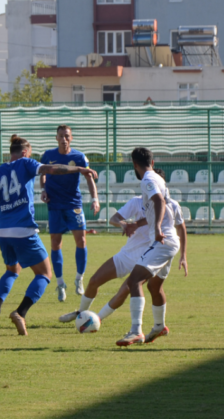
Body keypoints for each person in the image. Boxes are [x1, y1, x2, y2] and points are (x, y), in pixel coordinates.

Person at [0, 135, 98, 336]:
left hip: (2, 231)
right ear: (25, 153)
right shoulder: (26, 163)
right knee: (44, 274)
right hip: (23, 229)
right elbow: (51, 169)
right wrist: (79, 169)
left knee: (12, 271)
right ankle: (20, 312)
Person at [58, 169, 188, 345]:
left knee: (129, 288)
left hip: (150, 253)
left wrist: (183, 255)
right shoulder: (137, 202)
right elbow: (114, 218)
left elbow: (177, 227)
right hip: (127, 254)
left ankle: (99, 319)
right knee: (95, 280)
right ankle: (81, 313)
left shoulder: (169, 205)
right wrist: (124, 225)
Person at [116, 148, 182, 347]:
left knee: (134, 280)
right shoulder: (158, 178)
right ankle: (159, 326)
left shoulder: (147, 180)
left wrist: (157, 227)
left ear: (135, 165)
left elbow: (159, 201)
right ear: (152, 162)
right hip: (170, 241)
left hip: (163, 240)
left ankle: (136, 331)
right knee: (154, 286)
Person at [40, 125, 100, 303]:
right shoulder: (48, 155)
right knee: (55, 243)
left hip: (74, 204)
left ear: (71, 138)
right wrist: (43, 189)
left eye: (67, 136)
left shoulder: (79, 157)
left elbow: (89, 177)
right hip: (54, 205)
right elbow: (42, 173)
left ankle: (79, 278)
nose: (64, 139)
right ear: (56, 138)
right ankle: (60, 284)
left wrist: (95, 198)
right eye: (60, 136)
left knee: (81, 240)